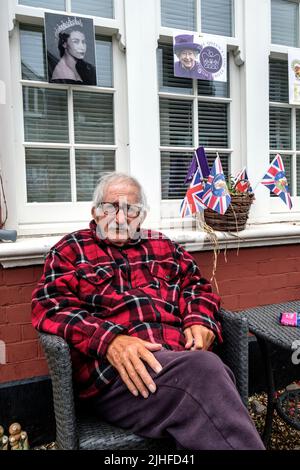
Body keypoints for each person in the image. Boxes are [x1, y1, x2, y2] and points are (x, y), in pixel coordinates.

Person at [31, 172, 265, 450]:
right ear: (95, 212)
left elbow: (196, 287)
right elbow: (50, 306)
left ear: (141, 216)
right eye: (110, 208)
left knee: (205, 380)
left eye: (130, 210)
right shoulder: (71, 249)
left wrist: (199, 320)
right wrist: (109, 341)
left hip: (181, 360)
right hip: (120, 377)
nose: (119, 218)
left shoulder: (163, 246)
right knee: (207, 373)